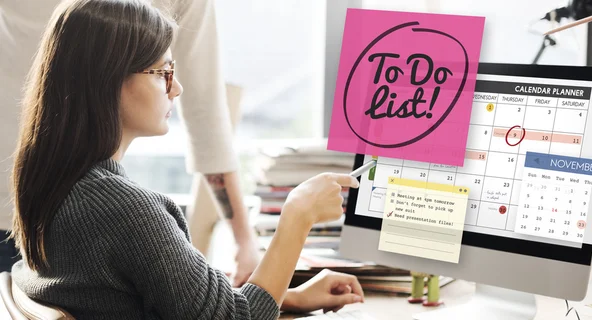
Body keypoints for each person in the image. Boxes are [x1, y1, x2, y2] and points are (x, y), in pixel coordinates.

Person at [8, 0, 365, 318]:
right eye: (162, 73)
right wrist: (298, 214)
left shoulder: (53, 187)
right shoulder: (124, 211)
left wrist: (288, 297)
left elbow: (173, 299)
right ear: (109, 80)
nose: (176, 88)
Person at [0, 0, 261, 285]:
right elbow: (206, 115)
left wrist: (243, 241)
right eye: (162, 73)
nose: (175, 88)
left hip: (33, 200)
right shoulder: (133, 215)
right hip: (32, 212)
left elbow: (206, 117)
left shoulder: (121, 207)